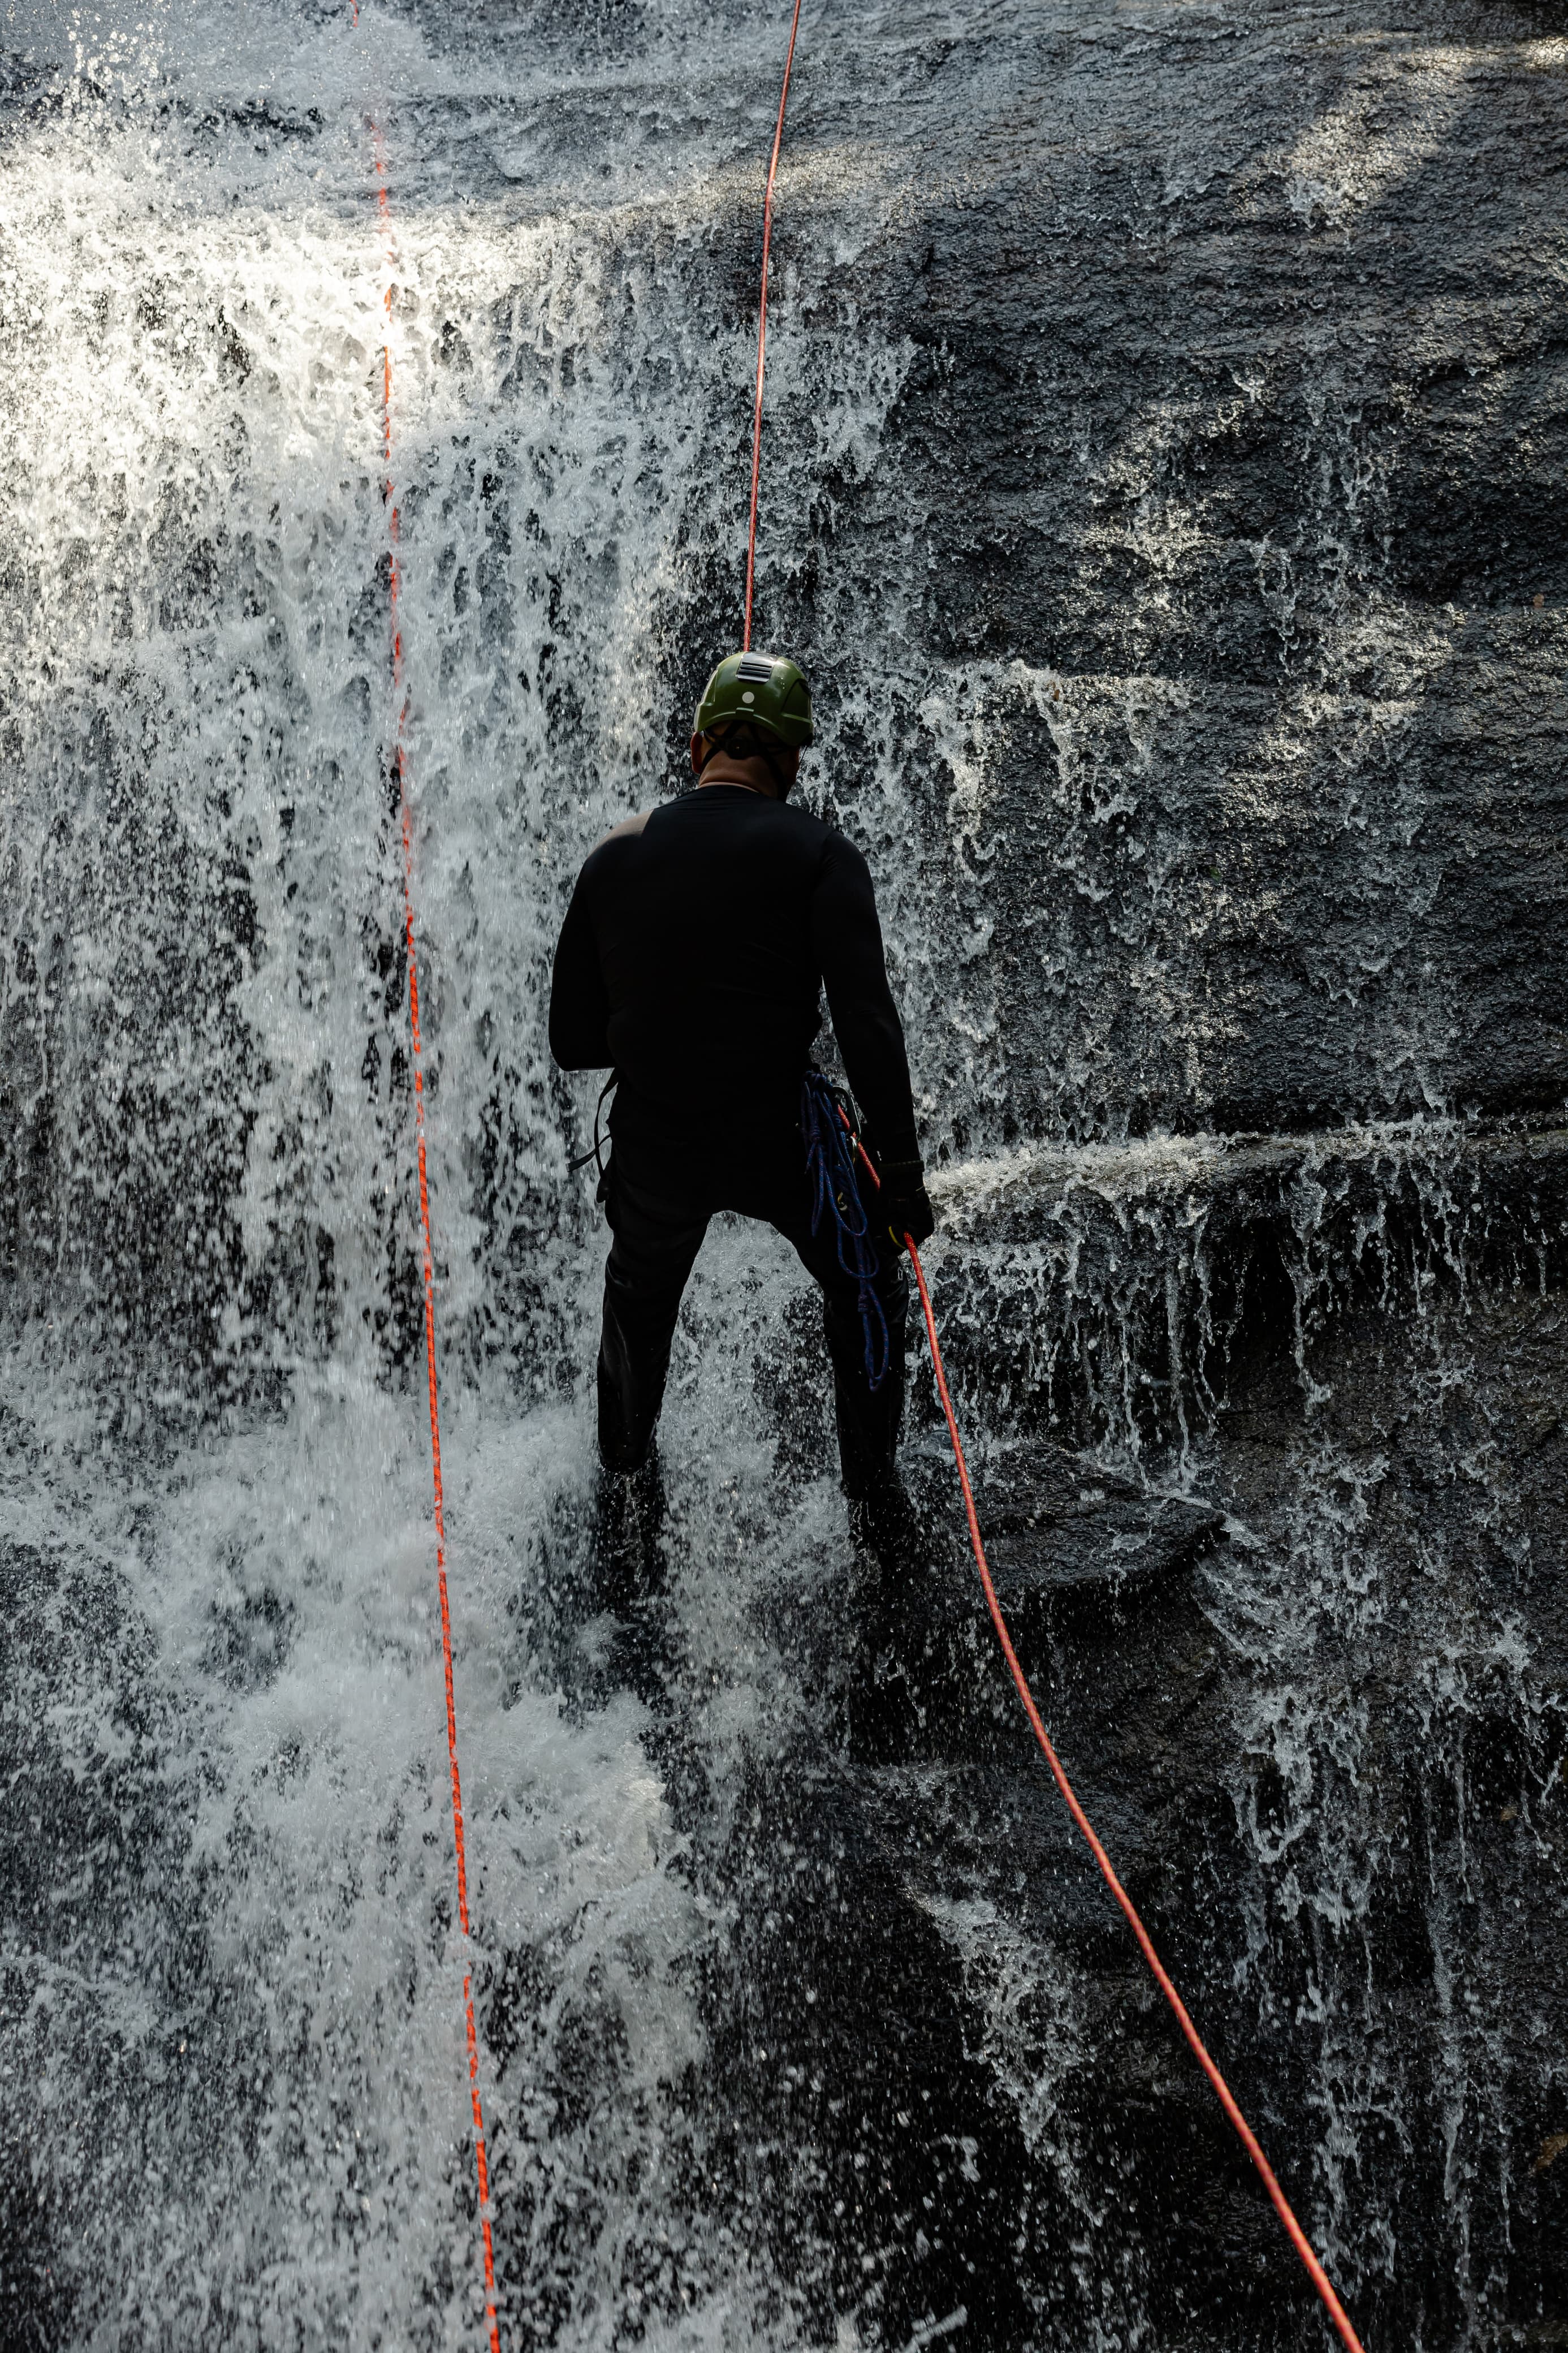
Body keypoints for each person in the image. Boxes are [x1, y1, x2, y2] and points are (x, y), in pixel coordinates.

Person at [548, 649, 934, 1581]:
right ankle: (874, 1503)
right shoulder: (821, 856)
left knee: (637, 1301)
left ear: (695, 747)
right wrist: (903, 1182)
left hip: (659, 1139)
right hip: (780, 1137)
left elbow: (572, 1039)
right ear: (791, 761)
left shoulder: (612, 856)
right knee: (867, 1285)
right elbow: (868, 1029)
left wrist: (668, 1024)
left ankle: (626, 1493)